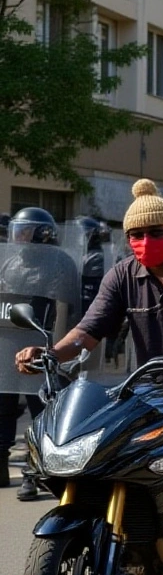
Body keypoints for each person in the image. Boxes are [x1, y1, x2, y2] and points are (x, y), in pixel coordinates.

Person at [15, 180, 163, 544]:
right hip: (153, 382)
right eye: (136, 234)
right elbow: (87, 331)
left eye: (155, 232)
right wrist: (49, 353)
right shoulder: (123, 275)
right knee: (117, 435)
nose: (145, 240)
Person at [1, 207, 78, 501]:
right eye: (17, 230)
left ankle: (35, 471)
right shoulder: (9, 262)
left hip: (41, 345)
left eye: (26, 230)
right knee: (3, 406)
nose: (19, 237)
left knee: (42, 409)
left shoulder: (59, 263)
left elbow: (66, 309)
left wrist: (58, 351)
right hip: (8, 345)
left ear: (43, 233)